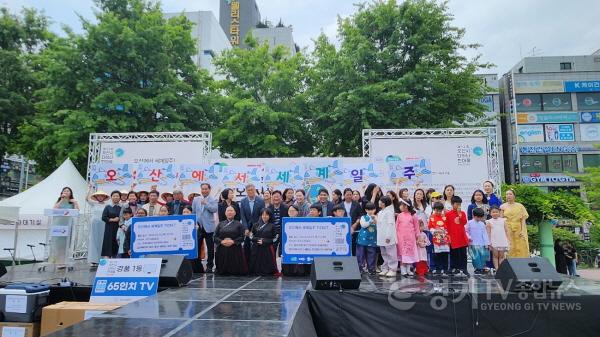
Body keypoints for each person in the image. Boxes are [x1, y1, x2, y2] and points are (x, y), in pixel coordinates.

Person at [192, 183, 218, 273]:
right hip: (198, 226)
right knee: (197, 247)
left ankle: (210, 266)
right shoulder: (196, 199)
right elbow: (194, 212)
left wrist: (206, 204)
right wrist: (195, 223)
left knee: (210, 248)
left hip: (209, 227)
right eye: (202, 189)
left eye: (206, 189)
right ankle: (197, 267)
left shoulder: (213, 199)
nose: (204, 190)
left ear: (209, 189)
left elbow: (214, 209)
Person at [214, 206, 247, 275]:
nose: (230, 212)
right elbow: (215, 236)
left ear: (235, 213)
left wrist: (233, 241)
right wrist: (221, 241)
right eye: (228, 211)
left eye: (231, 211)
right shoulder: (220, 224)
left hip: (235, 248)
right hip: (222, 248)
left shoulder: (239, 224)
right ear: (225, 213)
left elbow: (242, 237)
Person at [281, 205, 311, 276]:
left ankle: (299, 271)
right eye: (289, 211)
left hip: (298, 244)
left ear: (297, 212)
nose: (291, 212)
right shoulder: (285, 221)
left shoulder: (301, 222)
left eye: (293, 211)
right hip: (288, 245)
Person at [249, 208, 279, 276]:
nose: (264, 216)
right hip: (257, 246)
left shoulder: (273, 226)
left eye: (266, 215)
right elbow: (251, 236)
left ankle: (267, 271)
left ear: (270, 216)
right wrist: (258, 240)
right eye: (263, 215)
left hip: (267, 247)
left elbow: (276, 238)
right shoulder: (255, 225)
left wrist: (266, 241)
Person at [501, 189, 529, 258]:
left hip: (518, 227)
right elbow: (501, 220)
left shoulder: (520, 206)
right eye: (507, 194)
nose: (508, 196)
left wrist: (523, 230)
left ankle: (522, 262)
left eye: (510, 194)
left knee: (520, 245)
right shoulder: (502, 206)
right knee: (510, 245)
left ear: (514, 196)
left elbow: (523, 219)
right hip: (508, 228)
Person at [395, 199, 420, 277]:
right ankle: (403, 271)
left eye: (402, 205)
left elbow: (416, 227)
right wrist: (395, 237)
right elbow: (396, 227)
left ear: (406, 206)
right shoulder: (399, 215)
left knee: (409, 254)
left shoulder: (413, 215)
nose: (400, 207)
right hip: (401, 238)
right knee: (403, 254)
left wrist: (417, 237)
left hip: (410, 238)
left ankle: (408, 270)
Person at [446, 196, 469, 276]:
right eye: (457, 204)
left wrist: (459, 215)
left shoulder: (462, 213)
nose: (458, 206)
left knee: (463, 254)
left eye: (460, 204)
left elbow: (464, 222)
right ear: (452, 204)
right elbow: (447, 225)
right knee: (454, 254)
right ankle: (454, 268)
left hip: (462, 237)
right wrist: (448, 236)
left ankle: (464, 268)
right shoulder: (448, 214)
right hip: (453, 237)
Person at [377, 196, 397, 277]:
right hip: (381, 237)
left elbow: (390, 224)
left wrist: (388, 236)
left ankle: (392, 269)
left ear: (384, 203)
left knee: (391, 253)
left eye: (380, 201)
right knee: (384, 253)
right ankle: (385, 268)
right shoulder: (381, 212)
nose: (379, 202)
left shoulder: (389, 212)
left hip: (388, 237)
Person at [87, 190, 109, 266]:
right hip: (94, 223)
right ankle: (94, 259)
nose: (100, 197)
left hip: (103, 224)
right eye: (98, 196)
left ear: (105, 197)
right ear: (96, 197)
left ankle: (102, 258)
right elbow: (87, 199)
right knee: (94, 240)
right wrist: (89, 189)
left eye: (102, 196)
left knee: (102, 240)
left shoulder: (107, 205)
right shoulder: (94, 203)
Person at [466, 208, 490, 274]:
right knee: (475, 257)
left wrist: (487, 243)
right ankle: (477, 268)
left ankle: (482, 267)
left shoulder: (482, 224)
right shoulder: (469, 223)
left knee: (483, 255)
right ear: (473, 216)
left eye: (480, 217)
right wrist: (469, 237)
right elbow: (465, 231)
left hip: (481, 243)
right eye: (477, 217)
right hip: (473, 243)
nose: (479, 218)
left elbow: (484, 234)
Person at [429, 202, 450, 276]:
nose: (438, 212)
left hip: (444, 238)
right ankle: (438, 269)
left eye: (440, 211)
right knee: (437, 255)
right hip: (436, 238)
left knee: (445, 254)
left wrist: (444, 230)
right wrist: (435, 231)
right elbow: (430, 227)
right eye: (436, 210)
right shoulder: (431, 217)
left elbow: (448, 226)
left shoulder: (445, 217)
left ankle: (445, 269)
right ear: (434, 209)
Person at [486, 206, 510, 271]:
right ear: (490, 213)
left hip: (502, 240)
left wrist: (508, 240)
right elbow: (488, 233)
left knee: (502, 256)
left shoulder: (503, 220)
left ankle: (501, 270)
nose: (495, 213)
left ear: (499, 212)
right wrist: (489, 242)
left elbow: (506, 230)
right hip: (494, 241)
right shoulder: (489, 222)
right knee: (495, 256)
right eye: (493, 212)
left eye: (496, 212)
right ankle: (497, 269)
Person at [357, 202, 378, 275]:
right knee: (361, 254)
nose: (370, 211)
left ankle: (371, 269)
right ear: (366, 210)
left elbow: (379, 225)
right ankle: (360, 268)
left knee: (372, 254)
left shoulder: (376, 217)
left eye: (372, 209)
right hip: (363, 239)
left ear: (375, 209)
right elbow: (363, 225)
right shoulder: (363, 217)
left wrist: (375, 220)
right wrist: (371, 220)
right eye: (368, 209)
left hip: (372, 240)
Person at [342, 188, 363, 256]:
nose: (349, 196)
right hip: (343, 229)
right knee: (344, 246)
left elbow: (360, 216)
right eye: (347, 195)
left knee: (354, 247)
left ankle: (355, 263)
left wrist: (356, 224)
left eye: (350, 194)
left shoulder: (356, 204)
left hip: (355, 229)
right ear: (344, 195)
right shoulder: (340, 205)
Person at [101, 190, 122, 258]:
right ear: (111, 197)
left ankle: (115, 258)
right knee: (108, 242)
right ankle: (107, 259)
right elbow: (103, 217)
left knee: (117, 242)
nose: (116, 197)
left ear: (120, 198)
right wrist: (112, 220)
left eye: (117, 196)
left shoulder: (122, 207)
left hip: (119, 228)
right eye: (114, 196)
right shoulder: (108, 207)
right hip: (109, 228)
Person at [268, 190, 289, 256]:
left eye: (278, 197)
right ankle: (272, 266)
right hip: (272, 233)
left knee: (282, 252)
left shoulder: (286, 208)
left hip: (283, 233)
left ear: (281, 198)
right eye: (274, 197)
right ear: (272, 198)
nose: (276, 198)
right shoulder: (269, 208)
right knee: (272, 252)